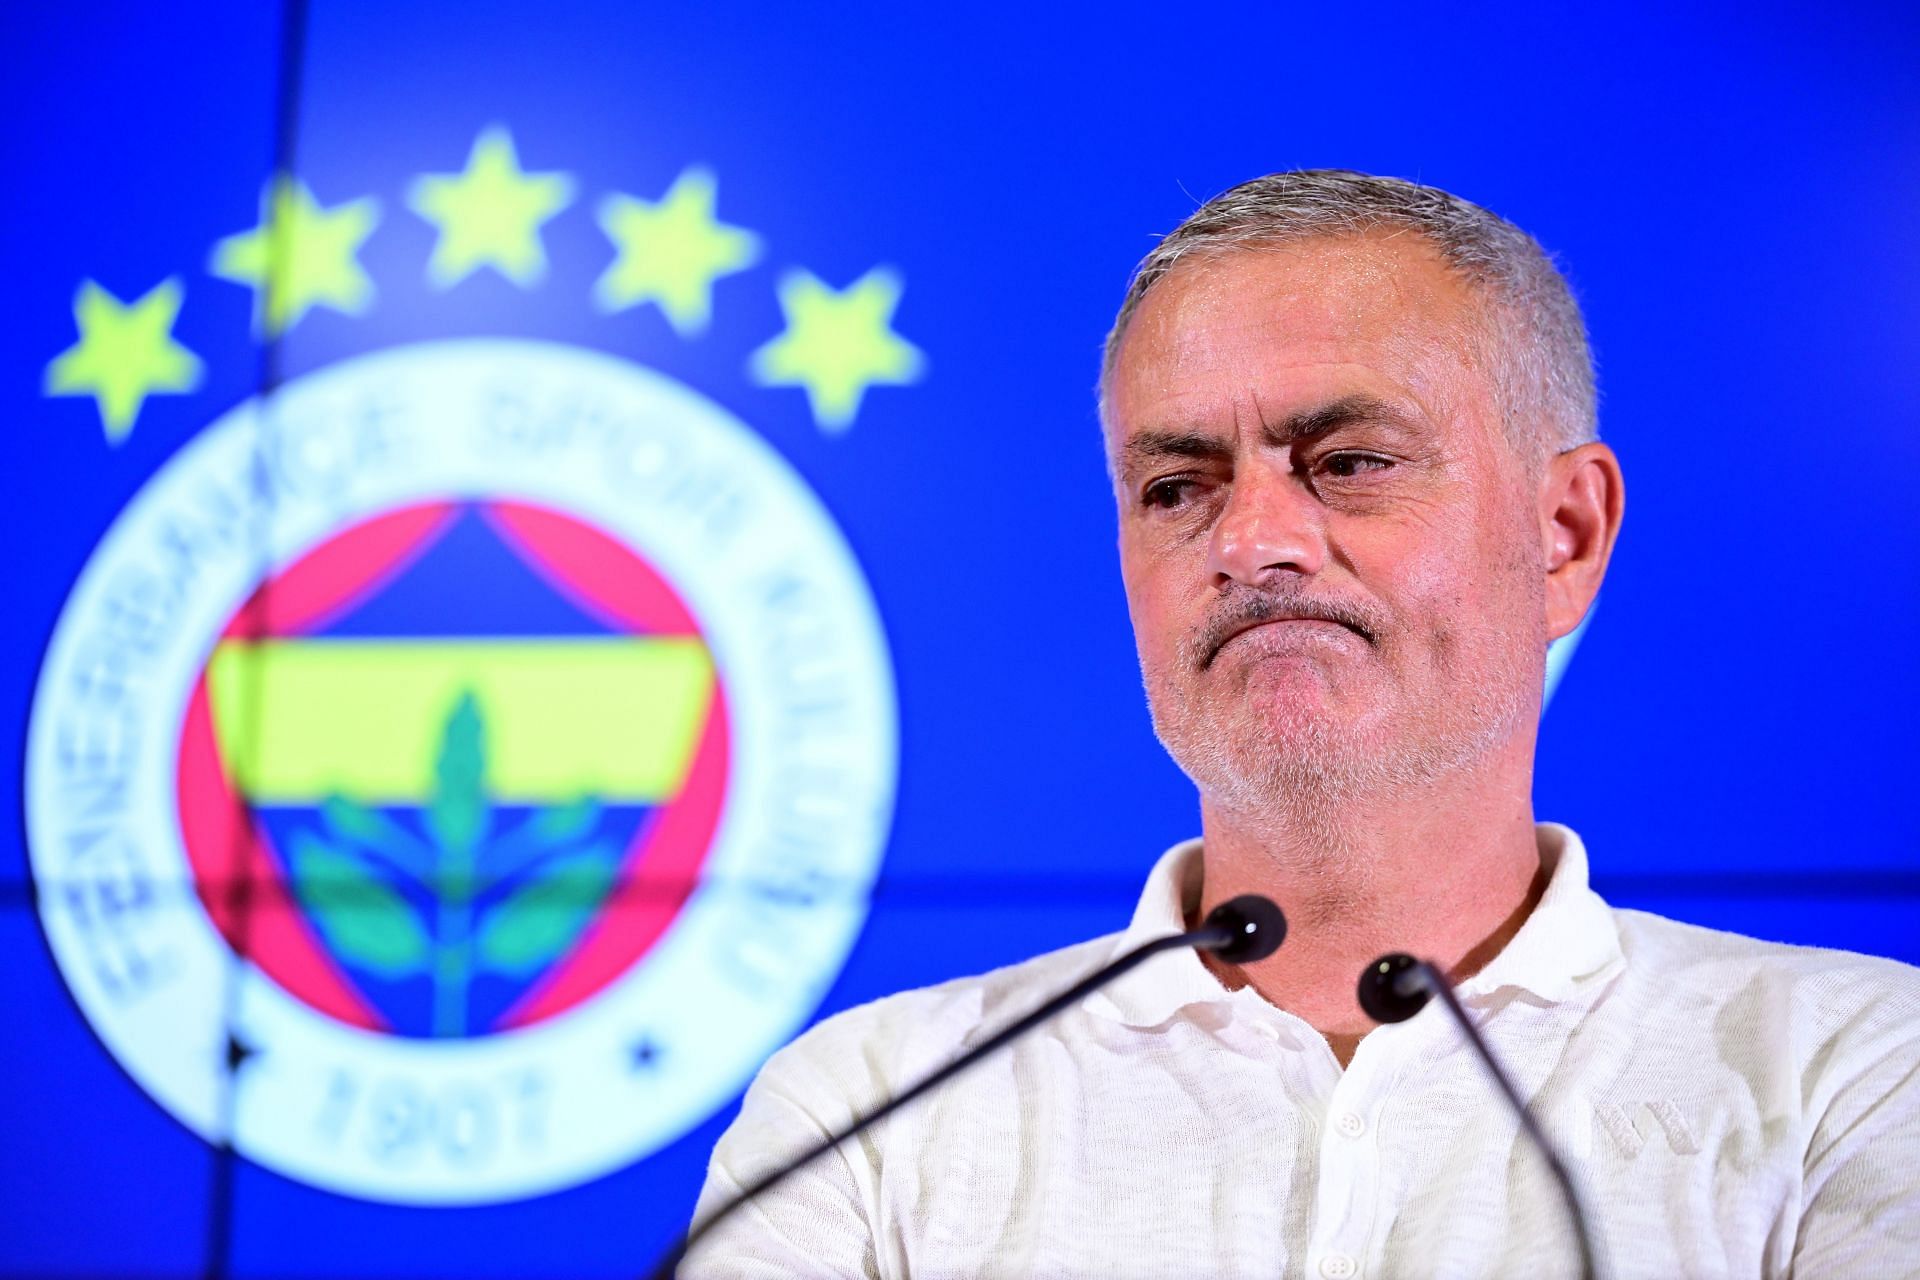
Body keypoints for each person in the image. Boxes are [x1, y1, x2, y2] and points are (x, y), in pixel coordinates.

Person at [682, 171, 1920, 1278]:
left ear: (1566, 536)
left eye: (1349, 461)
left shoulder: (1851, 1077)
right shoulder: (868, 1118)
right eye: (1176, 486)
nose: (1249, 539)